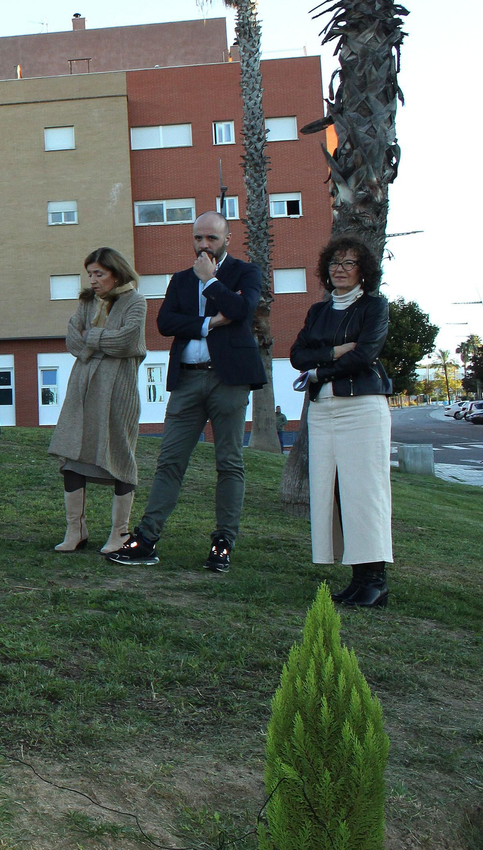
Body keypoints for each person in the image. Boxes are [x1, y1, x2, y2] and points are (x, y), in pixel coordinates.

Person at [109, 211, 267, 571]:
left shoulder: (245, 273)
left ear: (227, 238)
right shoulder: (180, 280)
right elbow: (165, 322)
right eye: (198, 238)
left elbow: (242, 310)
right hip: (188, 379)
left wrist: (211, 283)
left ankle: (223, 543)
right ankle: (146, 539)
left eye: (211, 238)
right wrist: (209, 322)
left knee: (228, 462)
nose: (203, 245)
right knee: (169, 460)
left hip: (229, 380)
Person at [289, 237, 394, 608]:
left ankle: (375, 581)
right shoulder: (318, 311)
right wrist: (331, 354)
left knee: (365, 493)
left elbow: (365, 356)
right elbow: (296, 355)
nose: (340, 268)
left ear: (363, 270)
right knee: (334, 493)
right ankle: (357, 578)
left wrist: (317, 370)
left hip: (362, 409)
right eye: (335, 262)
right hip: (323, 413)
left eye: (349, 263)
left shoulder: (374, 307)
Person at [46, 247, 147, 553]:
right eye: (89, 273)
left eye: (99, 273)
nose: (92, 280)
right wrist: (101, 340)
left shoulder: (136, 301)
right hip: (83, 388)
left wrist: (93, 337)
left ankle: (120, 533)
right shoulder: (86, 302)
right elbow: (72, 339)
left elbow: (129, 341)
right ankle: (76, 530)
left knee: (120, 457)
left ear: (116, 272)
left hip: (118, 391)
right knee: (72, 454)